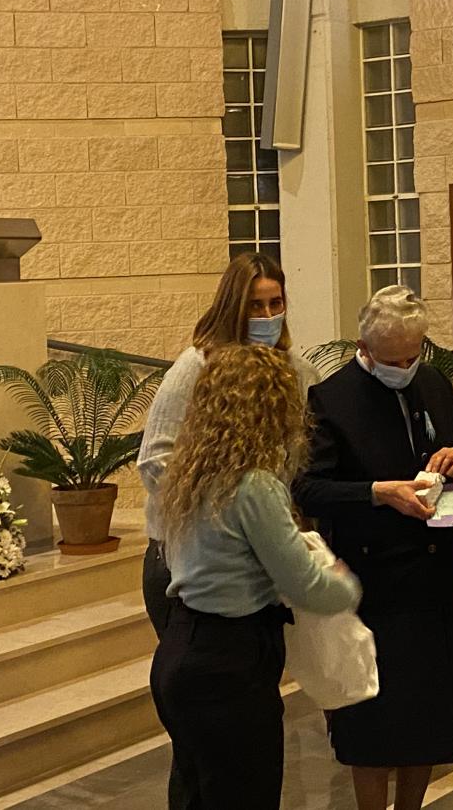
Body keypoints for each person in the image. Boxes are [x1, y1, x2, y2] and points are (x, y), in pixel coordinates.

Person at [294, 285, 453, 810]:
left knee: (427, 720)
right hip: (374, 582)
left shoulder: (433, 383)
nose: (404, 368)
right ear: (364, 347)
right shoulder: (332, 399)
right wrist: (378, 493)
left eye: (412, 356)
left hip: (434, 579)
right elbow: (309, 488)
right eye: (392, 360)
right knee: (374, 724)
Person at [135, 251, 318, 809]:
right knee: (204, 740)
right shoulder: (195, 367)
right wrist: (228, 512)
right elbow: (155, 461)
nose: (266, 315)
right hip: (184, 557)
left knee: (240, 733)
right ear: (232, 307)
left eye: (275, 303)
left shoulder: (294, 368)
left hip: (256, 562)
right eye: (255, 305)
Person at [151, 345, 361, 810]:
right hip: (229, 665)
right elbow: (305, 585)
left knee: (197, 798)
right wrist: (345, 583)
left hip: (181, 650)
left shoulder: (191, 472)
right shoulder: (255, 484)